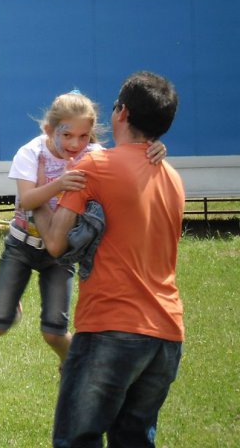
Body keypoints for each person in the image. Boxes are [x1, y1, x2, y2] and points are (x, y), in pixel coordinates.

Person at [33, 72, 184, 447]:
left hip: (110, 328)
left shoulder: (93, 168)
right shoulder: (173, 177)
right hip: (165, 338)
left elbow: (55, 243)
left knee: (76, 440)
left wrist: (36, 198)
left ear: (122, 112)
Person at [0, 91, 166, 368]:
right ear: (49, 130)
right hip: (22, 245)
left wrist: (153, 150)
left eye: (84, 136)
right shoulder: (31, 153)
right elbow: (26, 201)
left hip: (61, 253)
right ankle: (11, 305)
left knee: (54, 332)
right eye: (67, 135)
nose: (75, 144)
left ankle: (72, 369)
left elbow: (128, 166)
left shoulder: (94, 155)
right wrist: (59, 184)